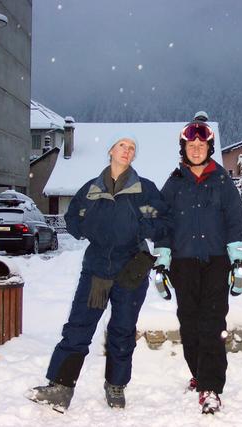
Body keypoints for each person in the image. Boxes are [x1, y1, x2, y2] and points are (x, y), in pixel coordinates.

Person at [28, 136, 169, 412]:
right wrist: (89, 230)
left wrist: (143, 226)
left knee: (123, 328)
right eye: (122, 146)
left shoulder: (145, 189)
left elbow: (162, 220)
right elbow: (72, 219)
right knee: (79, 326)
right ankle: (61, 387)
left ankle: (116, 386)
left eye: (132, 148)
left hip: (131, 269)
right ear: (110, 151)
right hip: (98, 271)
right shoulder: (92, 188)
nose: (127, 151)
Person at [153, 120, 242, 415]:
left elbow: (235, 220)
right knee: (189, 325)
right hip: (183, 264)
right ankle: (199, 372)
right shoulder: (174, 183)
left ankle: (211, 387)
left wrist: (239, 261)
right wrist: (162, 262)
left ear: (209, 148)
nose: (196, 149)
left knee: (212, 325)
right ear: (184, 148)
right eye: (191, 145)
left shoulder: (221, 180)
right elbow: (163, 225)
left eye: (201, 145)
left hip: (216, 262)